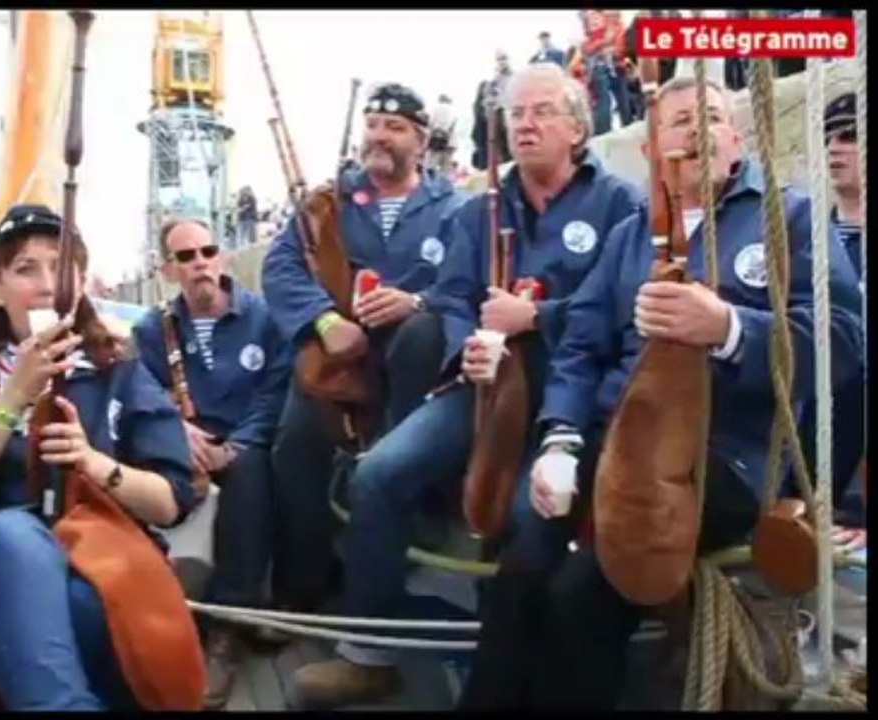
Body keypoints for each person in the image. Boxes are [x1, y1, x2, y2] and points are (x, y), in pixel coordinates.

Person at [459, 75, 864, 711]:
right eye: (677, 122)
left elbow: (845, 340)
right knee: (520, 571)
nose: (695, 130)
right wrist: (560, 439)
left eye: (709, 116)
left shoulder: (792, 217)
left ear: (735, 136)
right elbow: (581, 345)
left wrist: (730, 328)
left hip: (725, 457)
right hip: (611, 437)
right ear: (650, 150)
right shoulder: (627, 237)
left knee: (580, 592)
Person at [292, 62, 644, 708]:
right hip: (480, 385)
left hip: (572, 399)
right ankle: (368, 653)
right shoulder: (482, 208)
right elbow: (452, 295)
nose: (524, 125)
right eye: (515, 115)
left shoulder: (622, 205)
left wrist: (538, 317)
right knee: (378, 474)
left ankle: (516, 665)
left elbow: (622, 312)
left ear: (576, 125)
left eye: (540, 112)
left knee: (524, 515)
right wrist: (470, 347)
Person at [0, 203, 197, 711]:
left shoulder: (118, 369)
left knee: (82, 604)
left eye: (61, 265)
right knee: (12, 537)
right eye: (25, 268)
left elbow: (170, 501)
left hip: (103, 572)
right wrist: (10, 400)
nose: (47, 283)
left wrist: (96, 464)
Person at [262, 82, 469, 617]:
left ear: (421, 142)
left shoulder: (454, 207)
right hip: (337, 359)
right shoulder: (327, 204)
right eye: (373, 126)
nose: (379, 137)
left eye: (395, 128)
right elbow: (281, 267)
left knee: (424, 338)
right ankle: (306, 584)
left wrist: (417, 301)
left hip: (413, 364)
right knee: (297, 438)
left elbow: (468, 281)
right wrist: (325, 320)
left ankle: (417, 497)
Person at [132, 217, 292, 709]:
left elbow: (275, 392)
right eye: (186, 257)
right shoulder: (150, 329)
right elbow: (141, 391)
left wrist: (238, 444)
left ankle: (224, 629)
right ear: (168, 269)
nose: (200, 263)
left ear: (221, 255)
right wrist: (177, 432)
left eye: (207, 251)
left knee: (250, 476)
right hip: (181, 446)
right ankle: (160, 620)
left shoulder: (262, 318)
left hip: (243, 444)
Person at [793, 92, 866, 530]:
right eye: (829, 137)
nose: (835, 146)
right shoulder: (807, 241)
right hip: (810, 431)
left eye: (851, 136)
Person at [470, 50, 513, 170]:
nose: (502, 62)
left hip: (510, 116)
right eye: (499, 59)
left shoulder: (516, 78)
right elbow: (486, 102)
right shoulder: (492, 81)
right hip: (497, 118)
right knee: (500, 149)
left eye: (504, 58)